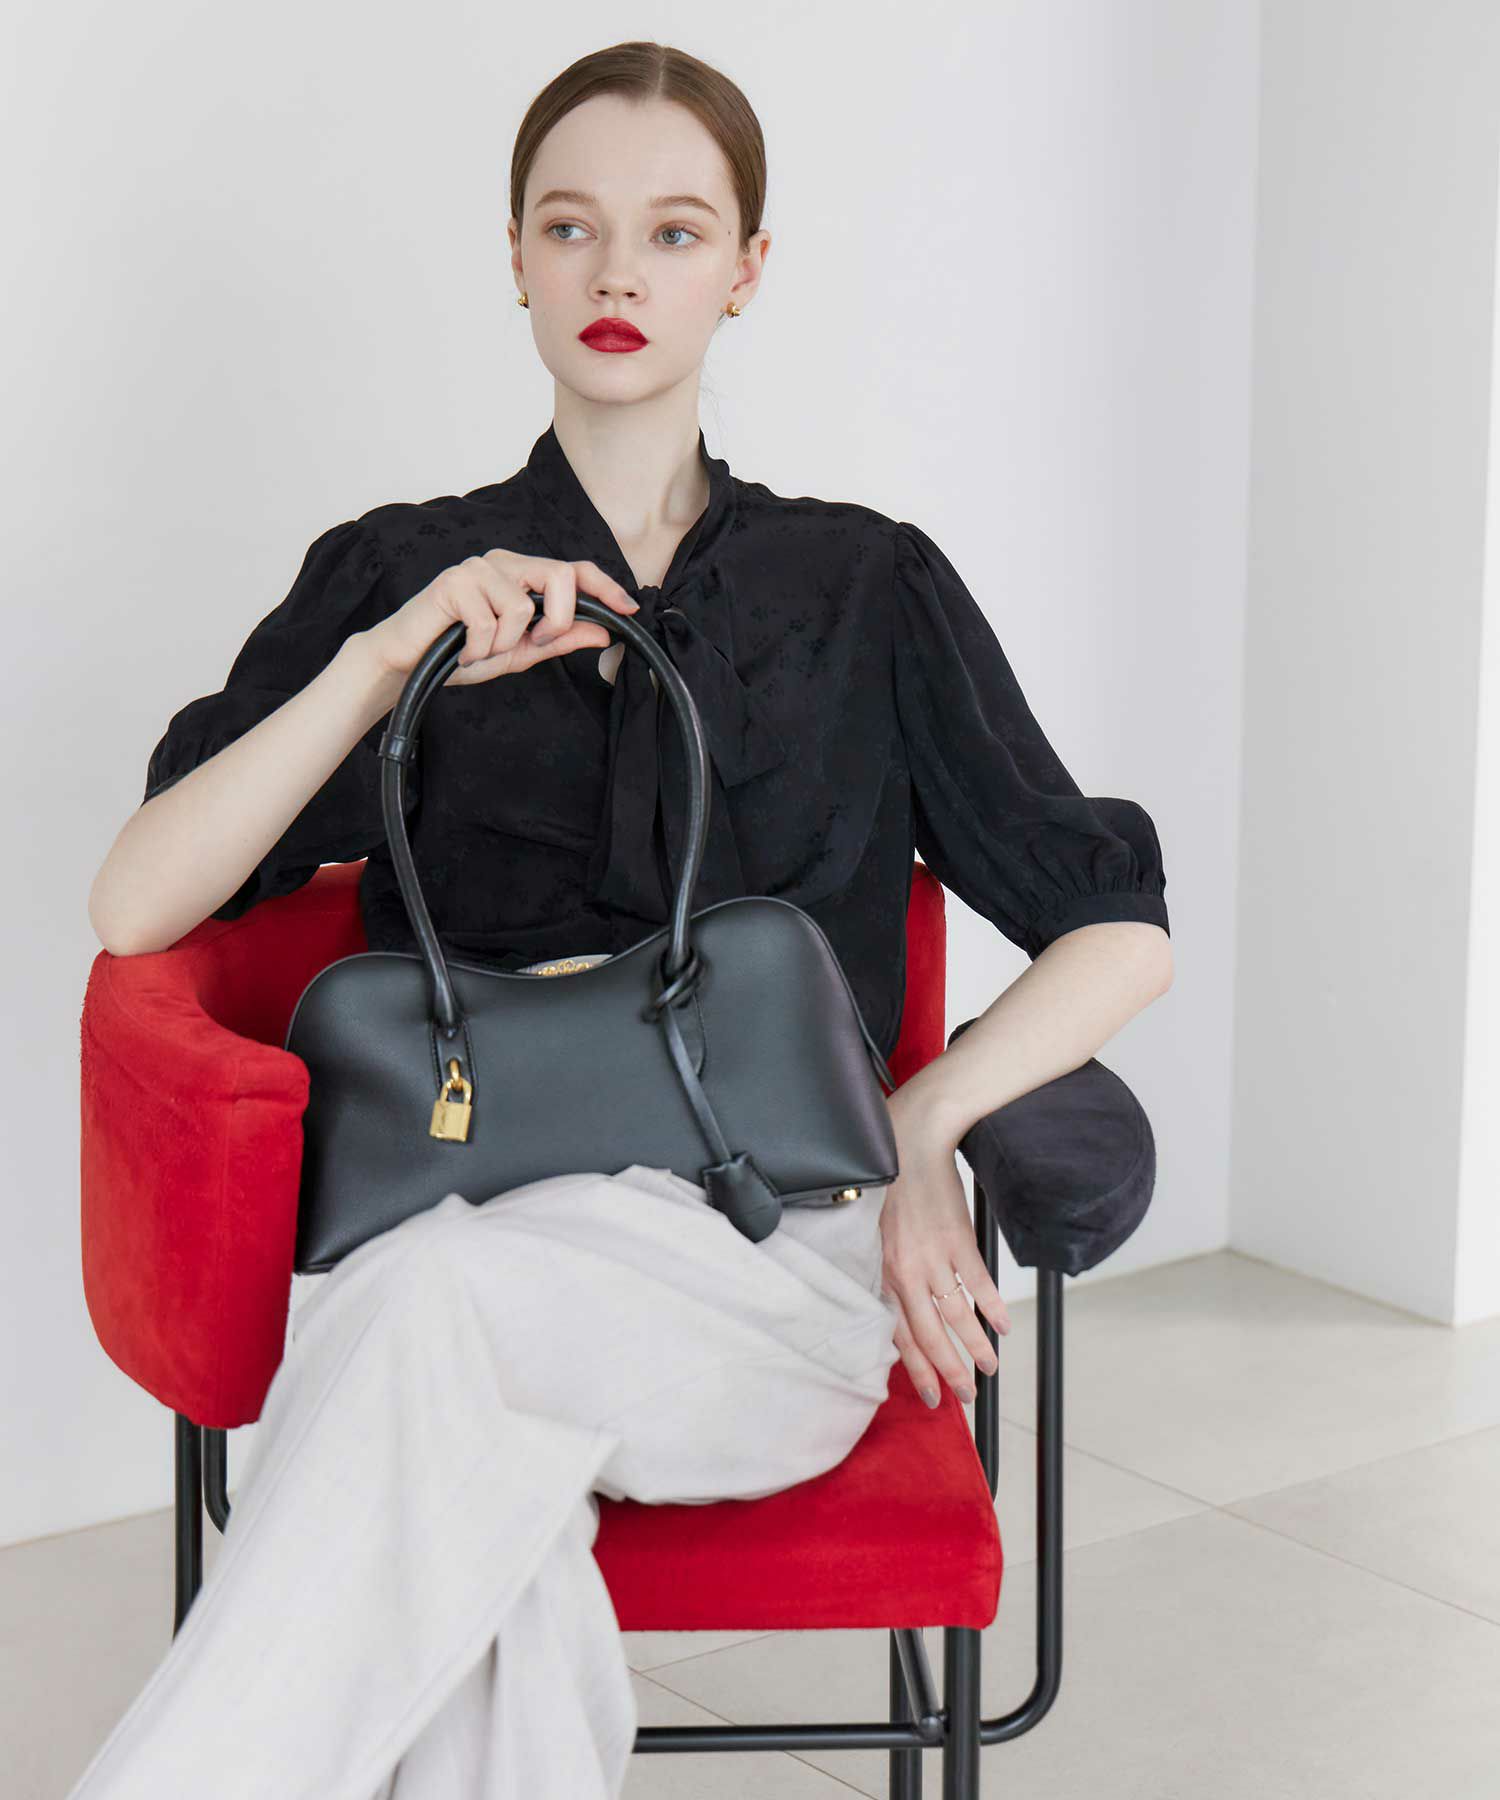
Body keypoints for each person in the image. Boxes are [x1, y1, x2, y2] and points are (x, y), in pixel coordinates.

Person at [78, 39, 1173, 1800]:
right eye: (571, 225)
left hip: (766, 1261)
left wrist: (922, 1119)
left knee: (415, 1334)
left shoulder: (863, 585)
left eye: (674, 231)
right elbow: (138, 900)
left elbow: (1117, 923)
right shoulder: (408, 574)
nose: (616, 272)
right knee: (468, 1487)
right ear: (515, 255)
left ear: (746, 269)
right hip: (455, 1218)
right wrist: (384, 663)